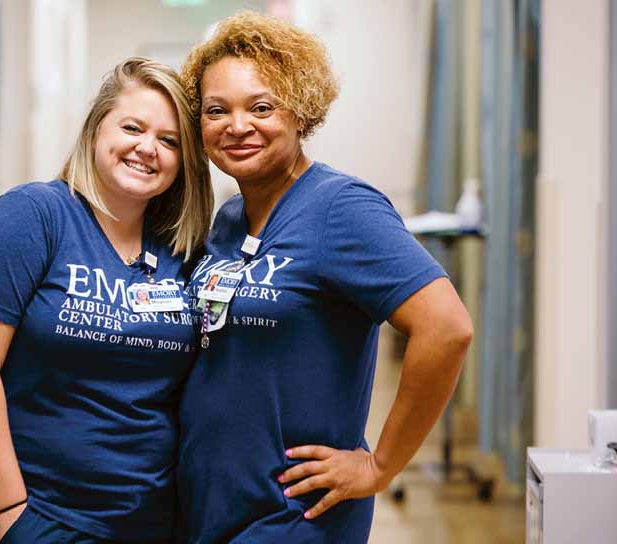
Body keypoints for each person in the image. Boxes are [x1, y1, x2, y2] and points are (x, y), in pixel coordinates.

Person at [176, 12, 473, 543]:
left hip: (292, 517)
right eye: (216, 110)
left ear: (300, 109)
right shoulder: (227, 220)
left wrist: (380, 465)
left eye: (261, 107)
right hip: (215, 508)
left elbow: (447, 328)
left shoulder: (341, 209)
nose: (236, 126)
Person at [0, 57, 212, 544]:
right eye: (132, 127)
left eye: (169, 140)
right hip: (44, 515)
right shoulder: (34, 216)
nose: (147, 148)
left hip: (153, 518)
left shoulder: (181, 251)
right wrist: (12, 511)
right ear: (96, 130)